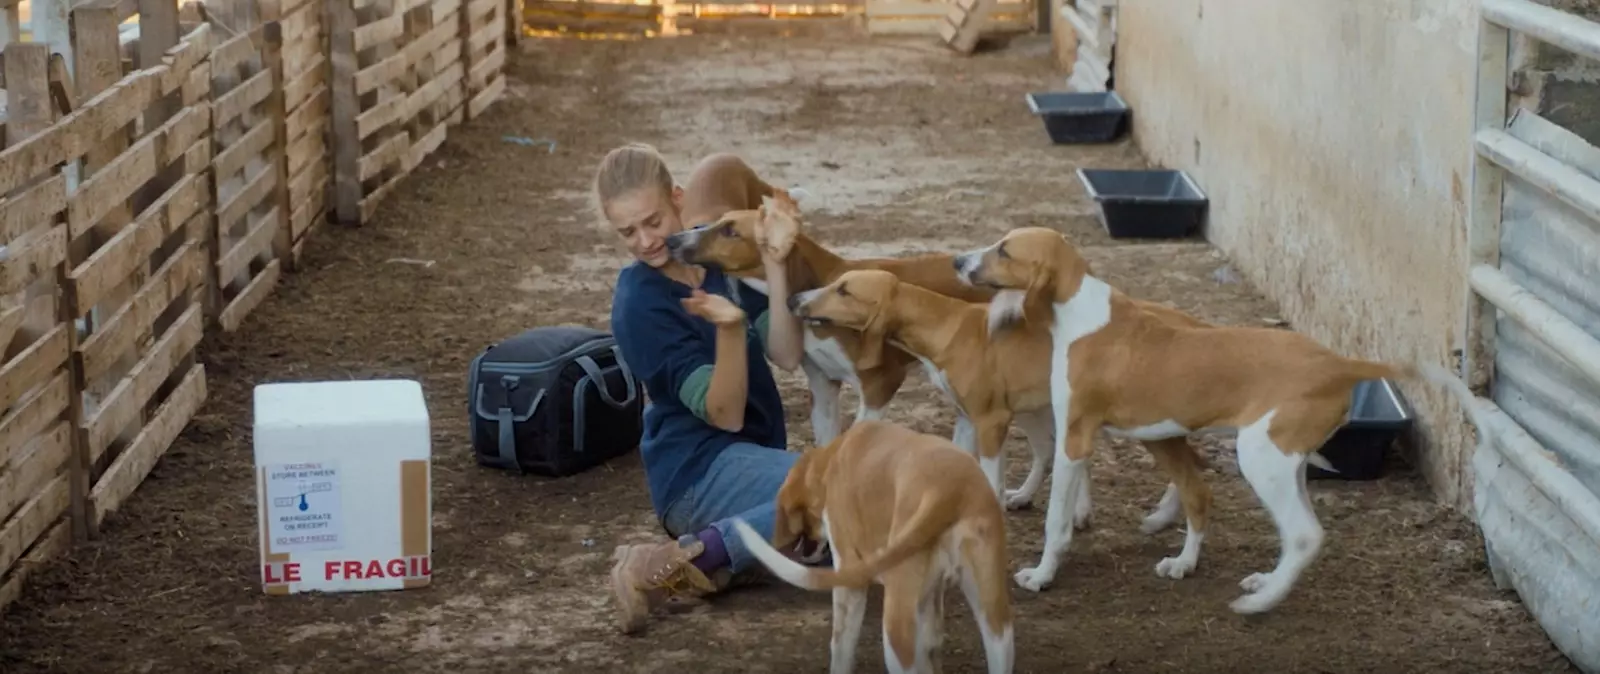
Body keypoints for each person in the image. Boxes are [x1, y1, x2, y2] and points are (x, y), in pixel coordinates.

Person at [596, 143, 823, 635]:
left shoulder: (716, 256)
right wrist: (729, 331)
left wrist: (776, 263)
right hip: (696, 472)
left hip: (750, 458)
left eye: (653, 221)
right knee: (834, 484)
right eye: (627, 232)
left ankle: (731, 556)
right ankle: (667, 565)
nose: (644, 241)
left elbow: (785, 354)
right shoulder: (639, 306)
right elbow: (725, 415)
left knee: (849, 530)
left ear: (678, 198)